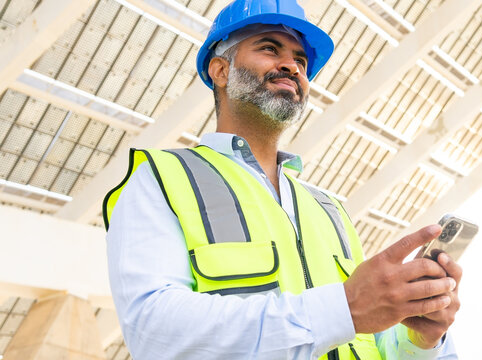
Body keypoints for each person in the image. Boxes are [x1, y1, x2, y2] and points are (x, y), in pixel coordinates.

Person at [103, 0, 461, 359]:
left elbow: (372, 342)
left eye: (301, 61)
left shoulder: (330, 210)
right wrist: (343, 308)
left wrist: (420, 340)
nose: (292, 66)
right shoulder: (163, 179)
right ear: (220, 70)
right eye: (269, 48)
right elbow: (153, 332)